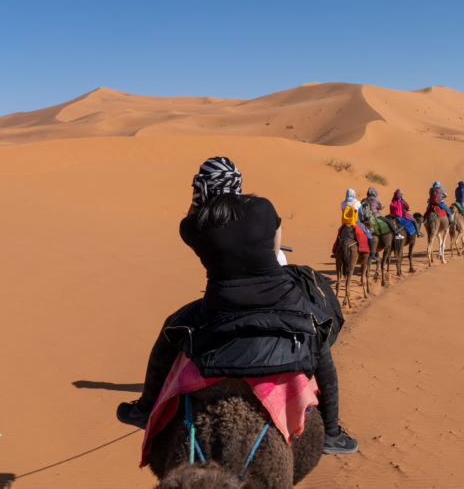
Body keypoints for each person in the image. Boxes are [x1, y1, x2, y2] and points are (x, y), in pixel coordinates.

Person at [116, 157, 357, 454]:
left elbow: (208, 235)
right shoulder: (264, 208)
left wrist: (200, 203)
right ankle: (331, 432)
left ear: (201, 188)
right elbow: (273, 248)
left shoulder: (192, 226)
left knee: (170, 331)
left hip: (221, 307)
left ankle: (145, 407)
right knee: (318, 340)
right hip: (281, 299)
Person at [339, 188, 379, 262]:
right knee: (369, 235)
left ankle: (336, 252)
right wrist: (362, 219)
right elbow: (361, 214)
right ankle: (371, 254)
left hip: (345, 224)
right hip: (355, 223)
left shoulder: (343, 203)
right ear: (354, 194)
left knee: (339, 234)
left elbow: (343, 211)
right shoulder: (357, 203)